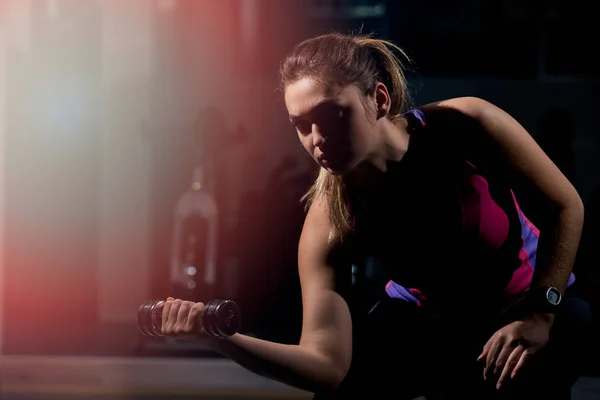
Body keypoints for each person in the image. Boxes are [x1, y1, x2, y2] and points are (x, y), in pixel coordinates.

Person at [158, 33, 591, 399]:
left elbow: (565, 206)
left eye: (332, 115)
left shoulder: (465, 125)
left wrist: (541, 313)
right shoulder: (330, 217)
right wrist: (220, 337)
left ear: (378, 99)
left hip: (530, 304)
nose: (316, 139)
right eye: (300, 124)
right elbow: (326, 363)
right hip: (429, 325)